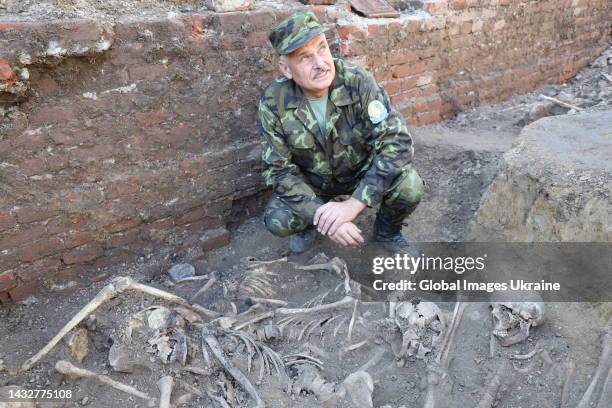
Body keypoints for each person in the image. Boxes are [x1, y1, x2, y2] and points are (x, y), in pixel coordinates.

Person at [259, 10, 424, 254]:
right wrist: (321, 216)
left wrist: (354, 204)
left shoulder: (357, 82)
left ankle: (387, 231)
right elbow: (278, 171)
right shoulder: (274, 101)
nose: (320, 63)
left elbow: (397, 143)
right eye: (305, 58)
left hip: (359, 175)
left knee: (410, 185)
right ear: (286, 69)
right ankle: (310, 225)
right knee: (278, 220)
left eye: (322, 48)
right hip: (314, 187)